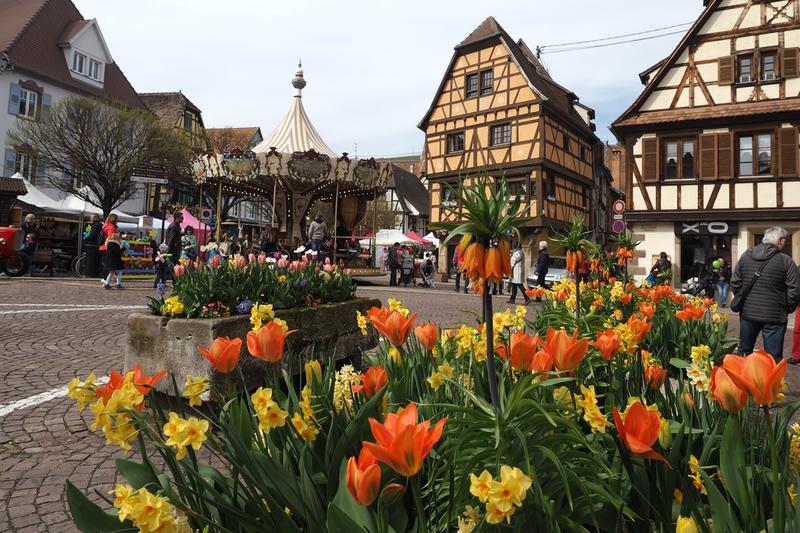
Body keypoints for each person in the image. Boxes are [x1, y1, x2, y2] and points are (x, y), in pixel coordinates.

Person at [731, 227, 800, 363]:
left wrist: (745, 300)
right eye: (785, 241)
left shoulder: (746, 256)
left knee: (744, 353)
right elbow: (794, 289)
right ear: (780, 241)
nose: (785, 244)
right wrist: (788, 307)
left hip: (748, 313)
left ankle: (743, 382)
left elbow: (735, 282)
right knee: (772, 358)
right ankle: (770, 384)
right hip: (775, 315)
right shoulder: (786, 261)